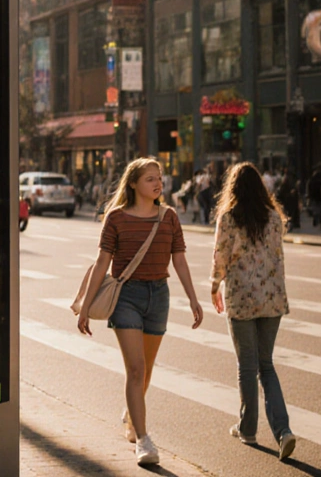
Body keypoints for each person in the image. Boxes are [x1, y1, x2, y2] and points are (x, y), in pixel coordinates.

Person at [76, 158, 203, 466]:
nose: (158, 183)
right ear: (133, 184)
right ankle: (143, 440)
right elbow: (102, 262)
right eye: (150, 179)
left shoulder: (169, 217)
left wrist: (194, 299)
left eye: (159, 178)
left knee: (145, 369)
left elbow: (180, 261)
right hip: (127, 297)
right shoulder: (116, 218)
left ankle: (132, 416)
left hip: (159, 295)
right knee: (135, 369)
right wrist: (85, 307)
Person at [211, 162, 297, 461]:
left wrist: (214, 286)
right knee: (266, 365)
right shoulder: (274, 217)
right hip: (272, 298)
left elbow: (220, 255)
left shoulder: (229, 217)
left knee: (247, 367)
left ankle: (248, 429)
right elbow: (277, 256)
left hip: (242, 297)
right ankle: (283, 431)